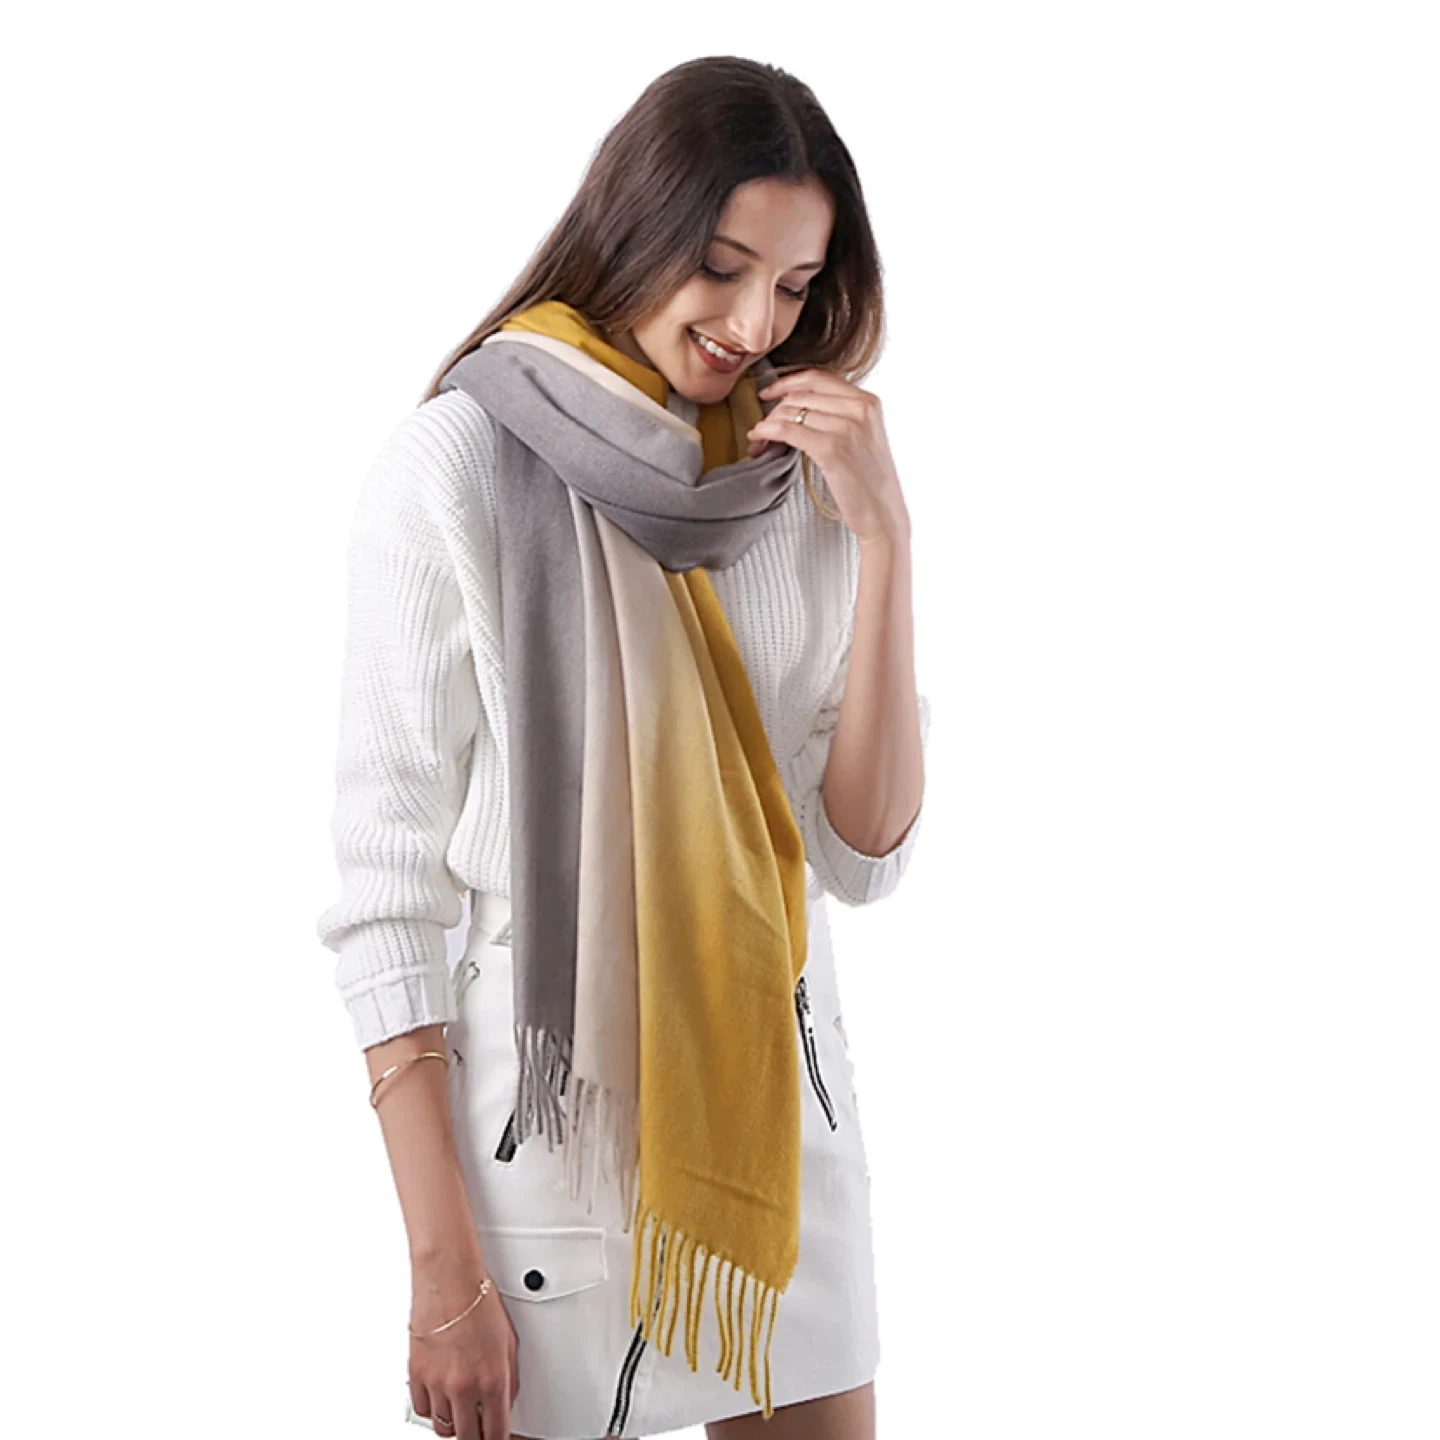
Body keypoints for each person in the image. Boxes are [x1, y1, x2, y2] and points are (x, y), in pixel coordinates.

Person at [315, 55, 930, 1440]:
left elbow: (863, 855)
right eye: (720, 267)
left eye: (793, 286)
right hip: (553, 1136)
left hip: (777, 1120)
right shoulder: (457, 465)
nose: (752, 324)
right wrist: (438, 1271)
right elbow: (387, 897)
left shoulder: (799, 479)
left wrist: (887, 540)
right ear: (635, 226)